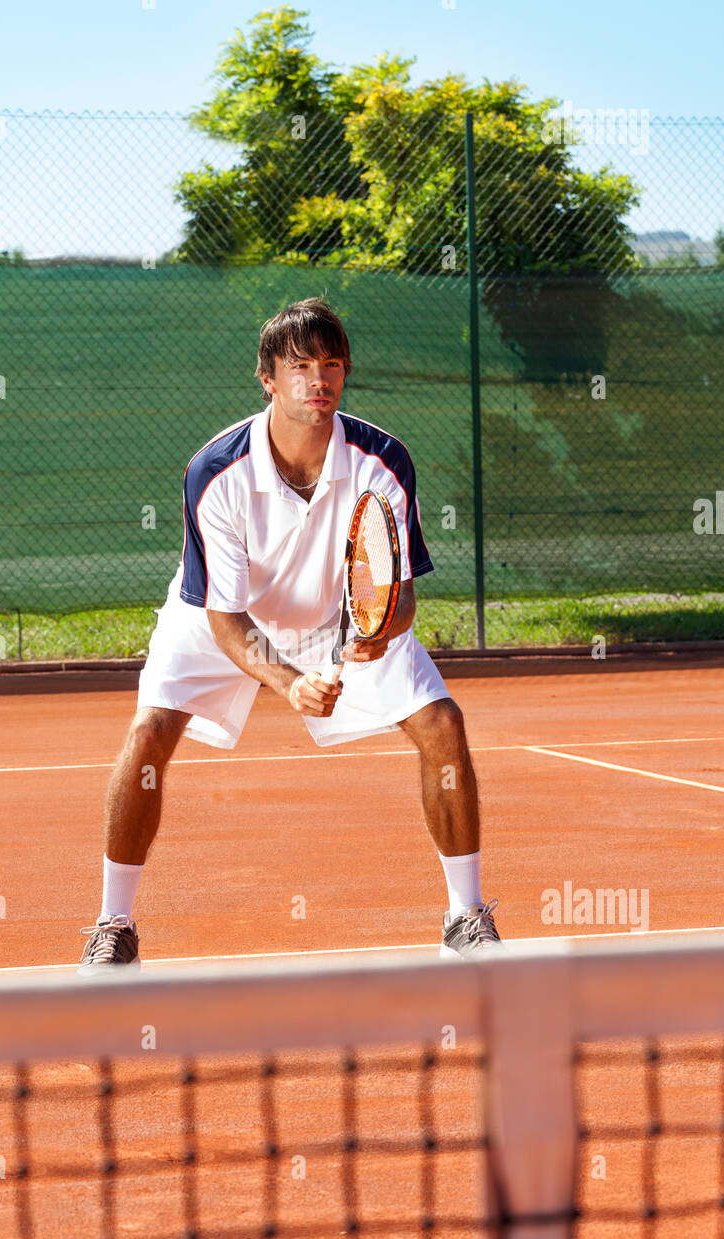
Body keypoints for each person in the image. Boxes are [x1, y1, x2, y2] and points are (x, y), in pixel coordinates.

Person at [78, 298, 500, 974]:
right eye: (300, 366)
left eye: (331, 365)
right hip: (217, 616)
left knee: (442, 723)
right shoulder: (214, 471)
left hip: (332, 614)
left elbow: (400, 594)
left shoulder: (382, 459)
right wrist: (288, 681)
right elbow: (224, 616)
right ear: (267, 378)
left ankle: (465, 915)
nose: (319, 381)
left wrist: (375, 634)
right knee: (149, 733)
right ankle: (112, 925)